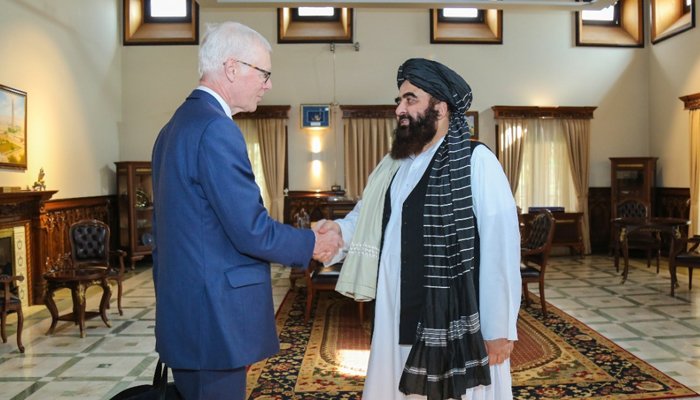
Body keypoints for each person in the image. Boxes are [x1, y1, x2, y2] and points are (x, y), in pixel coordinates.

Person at [151, 21, 341, 400]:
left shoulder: (174, 126)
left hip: (189, 312)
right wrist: (311, 244)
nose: (269, 84)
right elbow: (249, 229)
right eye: (264, 73)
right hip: (213, 320)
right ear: (232, 68)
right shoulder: (215, 128)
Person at [315, 58, 521, 400]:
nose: (400, 108)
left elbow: (501, 247)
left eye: (410, 99)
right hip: (398, 308)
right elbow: (365, 217)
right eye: (399, 100)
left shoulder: (476, 161)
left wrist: (499, 327)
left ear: (440, 107)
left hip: (456, 318)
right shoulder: (393, 165)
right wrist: (336, 233)